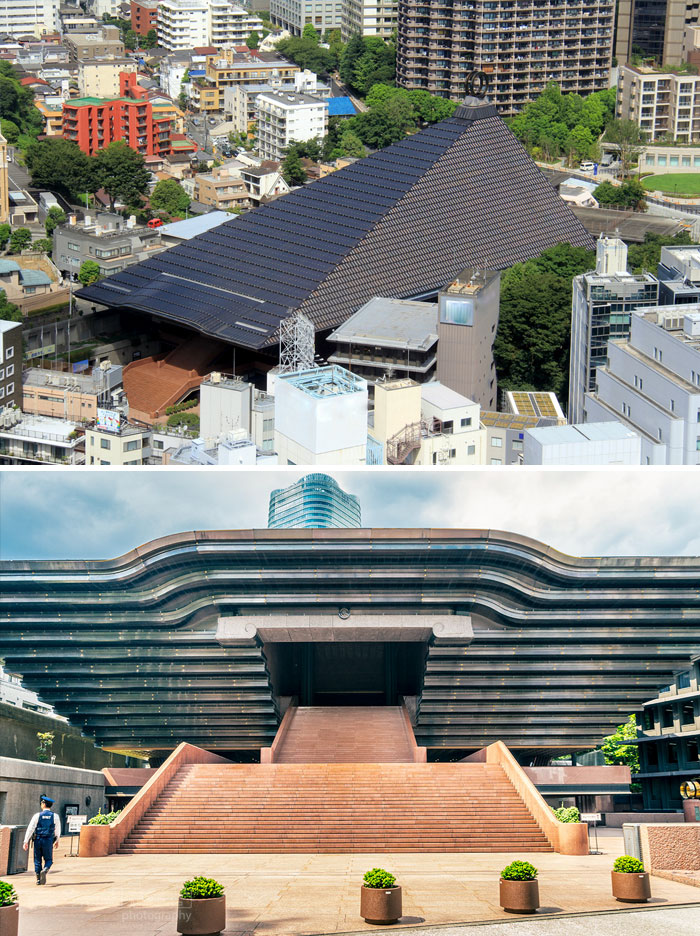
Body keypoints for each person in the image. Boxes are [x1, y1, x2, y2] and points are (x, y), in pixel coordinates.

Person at [23, 795, 61, 885]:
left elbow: (30, 828)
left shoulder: (37, 816)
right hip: (48, 840)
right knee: (48, 859)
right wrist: (57, 840)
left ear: (43, 804)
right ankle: (45, 869)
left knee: (37, 859)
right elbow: (57, 829)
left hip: (38, 839)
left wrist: (26, 841)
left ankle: (38, 879)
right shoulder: (55, 816)